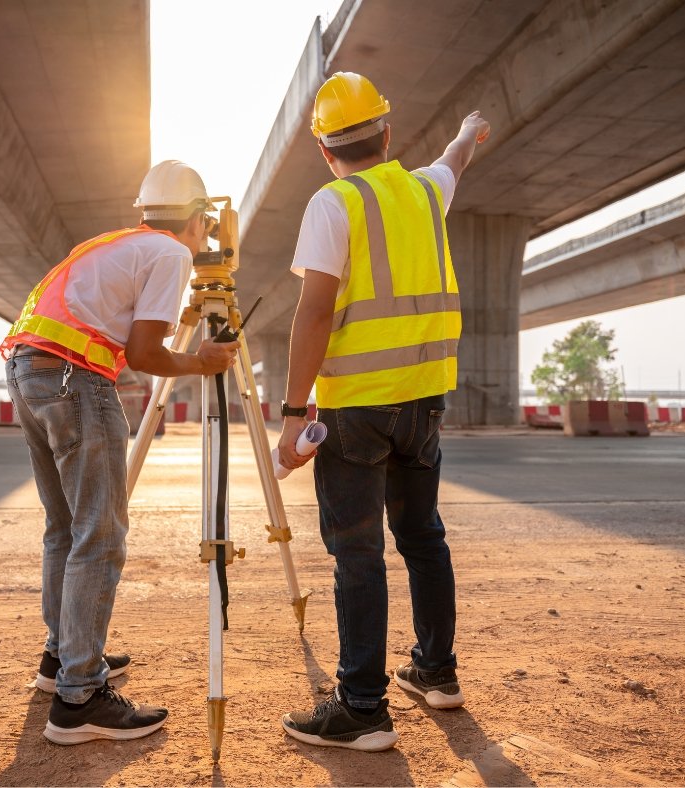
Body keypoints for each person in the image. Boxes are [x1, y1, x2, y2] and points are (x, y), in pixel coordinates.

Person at [275, 72, 490, 752]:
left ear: (322, 147)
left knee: (357, 551)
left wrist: (289, 415)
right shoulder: (425, 189)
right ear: (387, 133)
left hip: (355, 411)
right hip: (424, 402)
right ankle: (435, 672)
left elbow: (313, 313)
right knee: (422, 535)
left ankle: (362, 707)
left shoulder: (333, 201)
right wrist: (465, 130)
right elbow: (456, 158)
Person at [0, 160, 240, 746]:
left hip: (29, 374)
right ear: (198, 218)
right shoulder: (171, 253)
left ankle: (62, 659)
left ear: (144, 211)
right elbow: (144, 353)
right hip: (75, 382)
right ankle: (79, 699)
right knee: (99, 536)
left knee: (66, 530)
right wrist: (200, 361)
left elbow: (129, 324)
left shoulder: (116, 244)